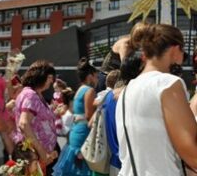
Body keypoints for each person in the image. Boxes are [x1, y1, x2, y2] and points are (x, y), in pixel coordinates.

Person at [116, 23, 197, 175]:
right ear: (175, 50)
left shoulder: (126, 91)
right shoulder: (167, 84)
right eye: (183, 52)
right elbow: (191, 152)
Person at [53, 57, 98, 176]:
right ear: (90, 76)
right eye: (96, 76)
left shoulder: (79, 90)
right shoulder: (90, 90)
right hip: (83, 133)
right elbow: (89, 116)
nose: (97, 79)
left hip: (76, 132)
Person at [12, 60, 58, 175]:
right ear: (40, 76)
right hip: (35, 158)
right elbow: (24, 124)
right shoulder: (30, 95)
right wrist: (42, 152)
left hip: (39, 157)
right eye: (49, 77)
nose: (51, 81)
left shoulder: (35, 94)